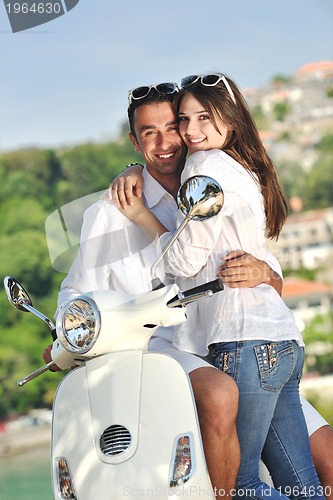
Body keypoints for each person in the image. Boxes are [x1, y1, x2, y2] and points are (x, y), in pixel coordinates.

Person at [43, 85, 292, 498]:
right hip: (158, 348)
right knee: (217, 392)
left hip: (234, 339)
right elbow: (77, 291)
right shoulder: (111, 211)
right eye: (148, 133)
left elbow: (268, 266)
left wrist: (267, 272)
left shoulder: (211, 181)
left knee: (327, 456)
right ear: (135, 142)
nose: (163, 143)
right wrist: (66, 335)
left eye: (171, 127)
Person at [112, 74, 324, 499]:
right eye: (184, 120)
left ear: (229, 116)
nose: (191, 131)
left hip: (242, 341)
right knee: (304, 488)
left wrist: (144, 219)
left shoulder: (203, 167)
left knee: (241, 487)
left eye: (203, 117)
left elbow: (184, 261)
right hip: (282, 340)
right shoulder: (244, 168)